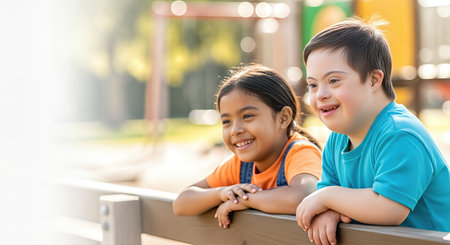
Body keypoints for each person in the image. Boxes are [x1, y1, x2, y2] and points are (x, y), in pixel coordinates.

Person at [295, 18, 450, 245]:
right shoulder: (337, 141)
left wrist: (328, 199)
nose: (320, 94)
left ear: (374, 79)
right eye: (313, 85)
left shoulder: (400, 134)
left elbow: (389, 208)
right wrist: (329, 210)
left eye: (334, 80)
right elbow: (327, 192)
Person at [173, 64, 322, 228]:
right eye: (227, 121)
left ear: (283, 118)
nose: (235, 130)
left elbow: (303, 196)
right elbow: (181, 203)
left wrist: (245, 200)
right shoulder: (239, 165)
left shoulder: (300, 152)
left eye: (248, 116)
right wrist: (222, 193)